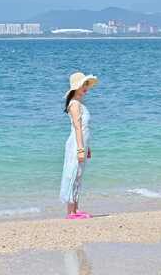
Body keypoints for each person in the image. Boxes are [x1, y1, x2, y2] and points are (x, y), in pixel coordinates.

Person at [60, 71, 98, 220]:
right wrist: (80, 148)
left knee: (79, 176)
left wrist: (87, 148)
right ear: (75, 87)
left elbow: (84, 129)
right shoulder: (74, 104)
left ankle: (76, 210)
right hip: (76, 144)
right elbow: (77, 128)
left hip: (82, 143)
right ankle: (70, 212)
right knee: (72, 174)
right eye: (83, 85)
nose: (86, 88)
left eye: (86, 85)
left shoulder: (80, 103)